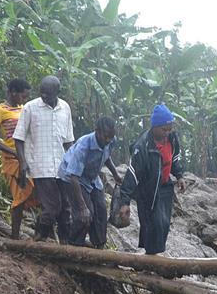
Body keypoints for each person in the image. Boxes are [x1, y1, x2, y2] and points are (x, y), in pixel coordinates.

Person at [13, 76, 75, 242]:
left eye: (47, 93)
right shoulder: (30, 108)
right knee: (53, 206)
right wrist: (23, 163)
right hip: (41, 165)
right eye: (41, 92)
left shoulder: (65, 108)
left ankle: (65, 244)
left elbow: (69, 140)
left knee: (66, 209)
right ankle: (40, 234)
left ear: (57, 92)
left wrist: (74, 165)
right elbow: (18, 138)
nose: (44, 96)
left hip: (62, 167)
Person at [118, 104, 185, 255]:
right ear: (154, 127)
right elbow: (132, 174)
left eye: (169, 128)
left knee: (164, 224)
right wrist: (125, 202)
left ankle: (155, 257)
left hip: (164, 186)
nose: (167, 132)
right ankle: (151, 257)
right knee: (153, 225)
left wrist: (179, 175)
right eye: (164, 129)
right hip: (147, 191)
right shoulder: (142, 146)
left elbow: (173, 159)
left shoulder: (172, 139)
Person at [58, 116, 120, 248]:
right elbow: (73, 176)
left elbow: (106, 156)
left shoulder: (110, 141)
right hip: (72, 178)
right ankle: (73, 245)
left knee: (101, 210)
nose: (108, 140)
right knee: (85, 215)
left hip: (91, 177)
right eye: (105, 136)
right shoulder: (84, 145)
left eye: (110, 137)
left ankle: (99, 245)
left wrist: (115, 174)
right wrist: (82, 207)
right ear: (97, 131)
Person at [0, 78, 36, 239]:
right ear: (13, 92)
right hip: (12, 159)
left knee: (36, 193)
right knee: (19, 197)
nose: (25, 100)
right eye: (23, 96)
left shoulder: (24, 109)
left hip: (28, 157)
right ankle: (14, 236)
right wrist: (14, 153)